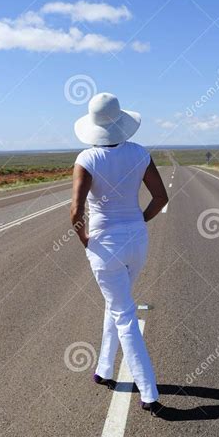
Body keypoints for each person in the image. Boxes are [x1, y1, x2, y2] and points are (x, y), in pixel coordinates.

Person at [71, 92, 168, 414]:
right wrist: (137, 222)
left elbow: (75, 213)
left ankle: (148, 390)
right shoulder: (140, 153)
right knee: (117, 303)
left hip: (105, 245)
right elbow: (159, 198)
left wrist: (87, 241)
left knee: (124, 314)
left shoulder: (87, 159)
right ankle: (104, 369)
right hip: (137, 241)